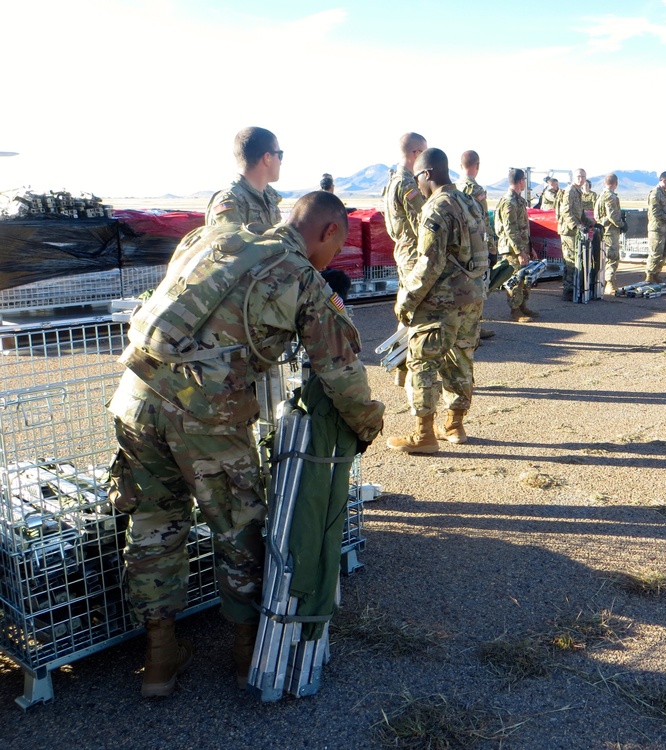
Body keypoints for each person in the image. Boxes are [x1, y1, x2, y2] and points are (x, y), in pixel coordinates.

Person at [108, 191, 385, 697]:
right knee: (240, 530)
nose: (334, 258)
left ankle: (159, 660)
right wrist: (367, 424)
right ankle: (245, 654)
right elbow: (342, 372)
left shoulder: (209, 237)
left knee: (152, 523)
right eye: (338, 245)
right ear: (327, 232)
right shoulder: (300, 277)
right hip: (206, 416)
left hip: (135, 398)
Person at [387, 148, 488, 453]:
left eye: (417, 177)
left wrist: (405, 301)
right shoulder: (469, 201)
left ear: (426, 174)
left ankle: (423, 435)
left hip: (442, 302)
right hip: (472, 297)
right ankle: (455, 426)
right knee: (461, 359)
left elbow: (429, 263)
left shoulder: (436, 208)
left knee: (422, 362)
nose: (416, 184)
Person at [383, 132, 428, 385]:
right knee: (415, 312)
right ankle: (409, 369)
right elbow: (422, 221)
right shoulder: (407, 184)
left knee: (407, 310)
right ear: (416, 154)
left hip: (403, 250)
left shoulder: (393, 180)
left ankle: (402, 368)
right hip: (412, 254)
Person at [454, 150, 497, 340]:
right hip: (476, 247)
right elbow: (483, 222)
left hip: (458, 246)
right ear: (477, 166)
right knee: (478, 288)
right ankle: (475, 330)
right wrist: (492, 248)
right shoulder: (476, 190)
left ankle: (461, 328)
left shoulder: (453, 187)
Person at [206, 127, 283, 228]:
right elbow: (227, 243)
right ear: (267, 157)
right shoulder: (231, 202)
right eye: (280, 155)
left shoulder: (269, 197)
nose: (281, 162)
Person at [495, 168, 538, 321]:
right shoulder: (509, 201)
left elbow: (523, 228)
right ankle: (515, 311)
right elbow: (510, 229)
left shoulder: (519, 200)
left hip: (521, 246)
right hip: (512, 248)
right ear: (520, 181)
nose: (525, 182)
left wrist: (529, 247)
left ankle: (522, 307)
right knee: (515, 279)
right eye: (524, 180)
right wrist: (520, 252)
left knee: (524, 279)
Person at [558, 168, 597, 300]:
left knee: (576, 259)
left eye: (583, 177)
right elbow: (566, 211)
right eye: (579, 176)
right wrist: (576, 225)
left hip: (575, 231)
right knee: (571, 261)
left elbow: (580, 213)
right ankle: (568, 291)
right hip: (569, 231)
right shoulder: (570, 191)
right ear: (574, 177)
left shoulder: (578, 192)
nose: (581, 179)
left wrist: (591, 223)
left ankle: (574, 288)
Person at [594, 173, 622, 295]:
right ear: (616, 183)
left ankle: (604, 283)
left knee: (605, 257)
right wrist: (621, 224)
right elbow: (613, 215)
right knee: (612, 256)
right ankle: (610, 283)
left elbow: (596, 215)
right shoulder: (611, 197)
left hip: (603, 230)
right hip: (610, 231)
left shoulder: (600, 196)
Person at [645, 171, 666, 283]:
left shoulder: (664, 193)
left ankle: (656, 274)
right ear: (663, 180)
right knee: (655, 252)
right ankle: (650, 275)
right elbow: (655, 211)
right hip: (656, 228)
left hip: (663, 228)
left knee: (663, 253)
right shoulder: (656, 193)